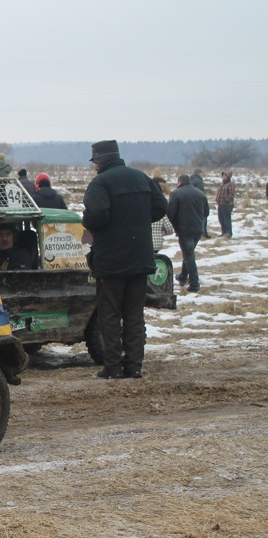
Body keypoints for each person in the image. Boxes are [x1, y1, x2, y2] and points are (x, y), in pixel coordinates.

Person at [82, 140, 167, 380]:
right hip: (140, 257)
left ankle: (112, 367)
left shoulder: (100, 183)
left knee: (109, 314)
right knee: (134, 314)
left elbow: (97, 216)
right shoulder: (141, 178)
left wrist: (89, 221)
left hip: (111, 261)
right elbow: (161, 207)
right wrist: (137, 219)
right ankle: (134, 366)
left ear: (99, 162)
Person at [166, 174, 209, 293]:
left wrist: (173, 226)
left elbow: (171, 213)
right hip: (197, 229)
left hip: (184, 229)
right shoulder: (200, 193)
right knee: (188, 253)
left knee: (189, 255)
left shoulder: (176, 194)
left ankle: (194, 283)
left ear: (179, 182)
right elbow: (206, 212)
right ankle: (183, 277)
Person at [190, 168, 211, 238]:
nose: (203, 174)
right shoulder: (198, 181)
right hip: (198, 202)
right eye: (202, 173)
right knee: (203, 217)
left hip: (191, 201)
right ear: (199, 173)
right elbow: (200, 193)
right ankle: (203, 233)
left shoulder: (191, 179)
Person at [215, 171, 235, 239]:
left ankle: (228, 233)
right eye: (223, 175)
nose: (223, 177)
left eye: (225, 176)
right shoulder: (222, 184)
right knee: (221, 219)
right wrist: (217, 199)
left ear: (228, 177)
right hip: (220, 204)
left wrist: (226, 200)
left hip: (227, 205)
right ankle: (223, 232)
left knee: (227, 219)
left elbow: (231, 194)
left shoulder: (230, 184)